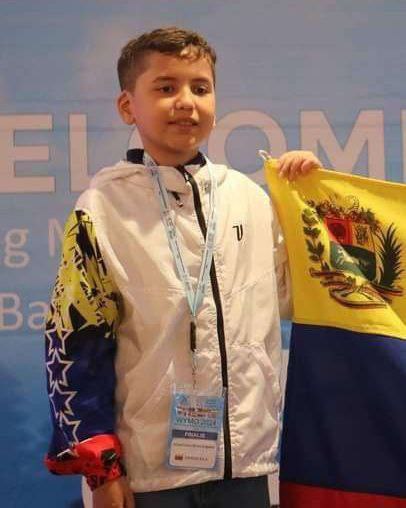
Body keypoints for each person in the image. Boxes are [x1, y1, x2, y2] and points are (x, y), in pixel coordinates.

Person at [44, 26, 320, 508]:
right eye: (166, 87)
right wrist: (101, 468)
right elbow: (74, 341)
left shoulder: (249, 199)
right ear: (128, 106)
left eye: (200, 87)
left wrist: (309, 204)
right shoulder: (102, 208)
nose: (186, 102)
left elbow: (303, 296)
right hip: (148, 475)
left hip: (248, 465)